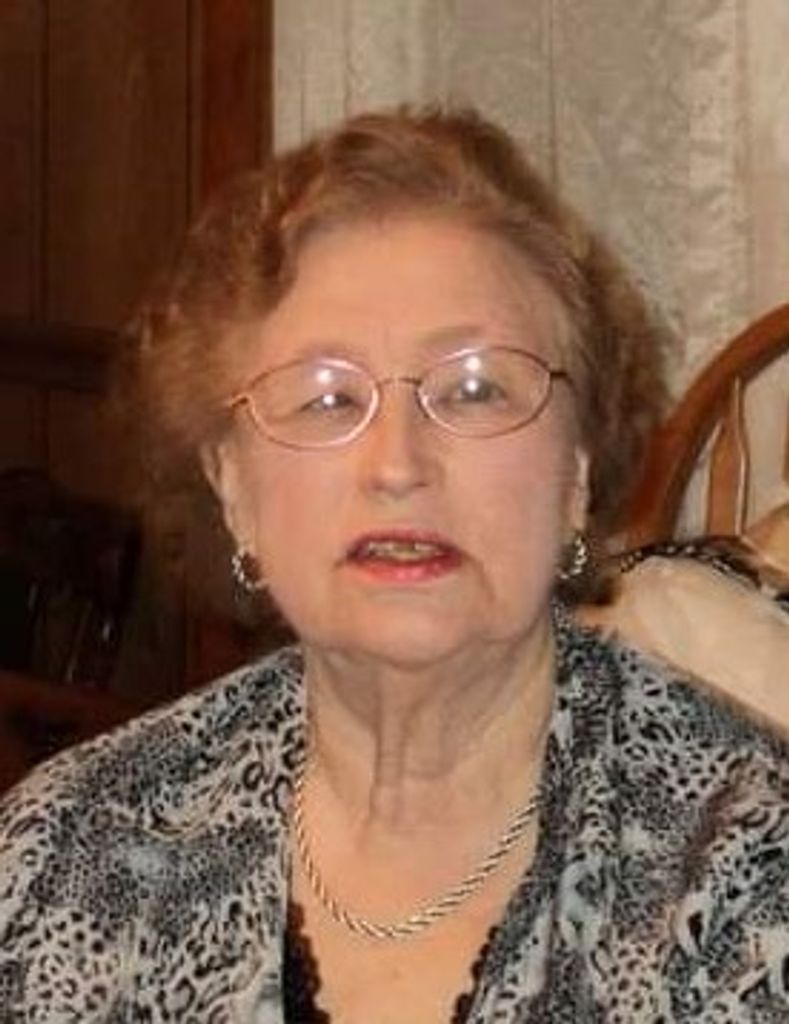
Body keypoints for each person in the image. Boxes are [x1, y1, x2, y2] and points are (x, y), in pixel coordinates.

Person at [1, 107, 788, 1024]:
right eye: (327, 399)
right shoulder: (66, 853)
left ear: (576, 473)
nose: (397, 466)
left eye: (475, 389)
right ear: (232, 487)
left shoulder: (750, 878)